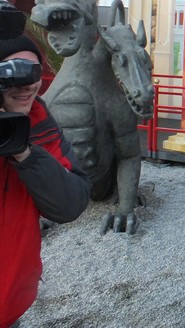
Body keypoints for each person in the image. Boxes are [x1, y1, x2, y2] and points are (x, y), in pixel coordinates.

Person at [0, 30, 90, 328]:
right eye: (13, 73)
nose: (27, 85)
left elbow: (69, 205)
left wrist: (24, 152)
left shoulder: (39, 124)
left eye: (34, 71)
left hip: (12, 305)